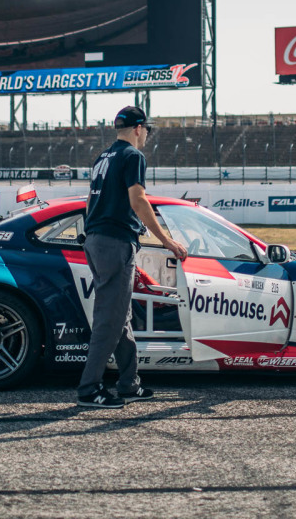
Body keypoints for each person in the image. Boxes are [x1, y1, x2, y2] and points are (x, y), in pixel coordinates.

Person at [77, 106, 187, 409]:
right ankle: (89, 389)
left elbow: (90, 201)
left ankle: (128, 383)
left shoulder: (103, 156)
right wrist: (166, 240)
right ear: (139, 128)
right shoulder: (133, 156)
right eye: (147, 130)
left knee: (120, 316)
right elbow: (138, 200)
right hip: (114, 242)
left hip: (96, 239)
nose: (146, 135)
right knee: (110, 320)